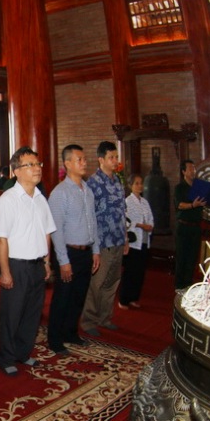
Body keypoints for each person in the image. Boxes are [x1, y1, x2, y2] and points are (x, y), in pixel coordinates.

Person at [0, 146, 55, 376]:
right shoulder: (7, 200)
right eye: (30, 165)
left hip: (37, 264)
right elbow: (1, 239)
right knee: (12, 314)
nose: (37, 168)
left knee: (32, 313)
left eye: (38, 164)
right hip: (16, 265)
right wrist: (5, 271)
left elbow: (46, 232)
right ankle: (6, 357)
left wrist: (47, 262)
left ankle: (23, 352)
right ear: (16, 171)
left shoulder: (40, 199)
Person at [47, 144, 100, 355]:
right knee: (63, 297)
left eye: (84, 159)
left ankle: (70, 332)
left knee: (78, 296)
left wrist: (96, 250)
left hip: (85, 251)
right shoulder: (60, 193)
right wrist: (63, 261)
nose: (84, 163)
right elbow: (56, 230)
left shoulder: (87, 190)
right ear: (67, 164)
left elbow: (93, 222)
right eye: (79, 159)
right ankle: (55, 339)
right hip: (68, 252)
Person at [81, 141, 127, 336]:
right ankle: (88, 321)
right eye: (111, 157)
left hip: (118, 239)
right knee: (96, 283)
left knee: (112, 282)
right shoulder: (92, 183)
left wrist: (125, 238)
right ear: (101, 160)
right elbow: (88, 215)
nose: (115, 161)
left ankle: (105, 317)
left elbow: (122, 212)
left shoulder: (117, 181)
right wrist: (93, 246)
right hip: (102, 243)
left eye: (116, 157)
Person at [119, 174, 154, 309]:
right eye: (137, 183)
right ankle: (124, 300)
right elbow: (126, 221)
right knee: (130, 272)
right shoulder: (128, 201)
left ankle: (134, 297)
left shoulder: (145, 202)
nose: (140, 186)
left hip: (144, 240)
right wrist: (140, 225)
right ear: (130, 185)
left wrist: (150, 225)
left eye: (141, 183)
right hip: (133, 242)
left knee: (140, 272)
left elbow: (150, 218)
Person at [174, 160, 206, 290]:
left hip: (196, 227)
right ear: (184, 172)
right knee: (182, 257)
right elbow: (180, 205)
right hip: (183, 227)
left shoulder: (198, 187)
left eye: (194, 168)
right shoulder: (179, 188)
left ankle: (188, 285)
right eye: (190, 169)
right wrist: (193, 205)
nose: (193, 171)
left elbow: (206, 201)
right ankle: (179, 286)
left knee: (192, 258)